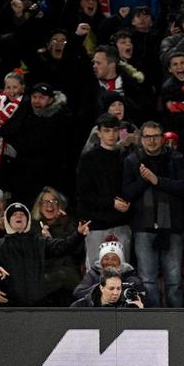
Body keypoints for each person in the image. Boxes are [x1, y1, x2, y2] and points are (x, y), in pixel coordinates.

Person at [122, 121, 184, 307]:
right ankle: (152, 319)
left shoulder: (176, 158)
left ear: (162, 138)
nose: (151, 141)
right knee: (147, 280)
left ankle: (176, 319)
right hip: (143, 227)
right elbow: (127, 193)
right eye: (147, 137)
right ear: (141, 139)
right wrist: (145, 180)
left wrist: (156, 180)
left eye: (155, 136)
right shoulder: (132, 161)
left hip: (173, 226)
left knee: (174, 281)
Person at [0, 202, 90, 306]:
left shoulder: (39, 242)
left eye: (22, 214)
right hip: (9, 307)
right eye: (14, 214)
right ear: (8, 220)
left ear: (27, 220)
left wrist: (78, 234)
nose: (19, 216)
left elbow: (63, 246)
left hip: (38, 306)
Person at [76, 113, 132, 271]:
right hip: (97, 225)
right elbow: (84, 194)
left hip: (121, 223)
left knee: (122, 272)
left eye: (115, 130)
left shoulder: (126, 157)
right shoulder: (88, 159)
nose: (111, 135)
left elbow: (130, 188)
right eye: (107, 130)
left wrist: (128, 204)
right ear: (99, 133)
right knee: (96, 273)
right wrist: (111, 203)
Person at [30, 186, 83, 306]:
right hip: (44, 275)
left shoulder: (68, 223)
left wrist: (61, 225)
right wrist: (46, 242)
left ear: (60, 205)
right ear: (39, 206)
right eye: (46, 202)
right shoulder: (32, 226)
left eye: (54, 201)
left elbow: (76, 251)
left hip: (67, 276)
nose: (50, 205)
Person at [72, 238, 143, 301]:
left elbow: (142, 297)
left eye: (114, 259)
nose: (109, 262)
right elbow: (78, 293)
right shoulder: (93, 275)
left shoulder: (130, 277)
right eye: (106, 259)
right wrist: (99, 289)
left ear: (120, 263)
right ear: (100, 261)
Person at [70, 267, 143, 308]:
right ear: (101, 288)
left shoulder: (127, 307)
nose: (115, 293)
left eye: (118, 288)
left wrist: (139, 313)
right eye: (111, 288)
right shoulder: (80, 307)